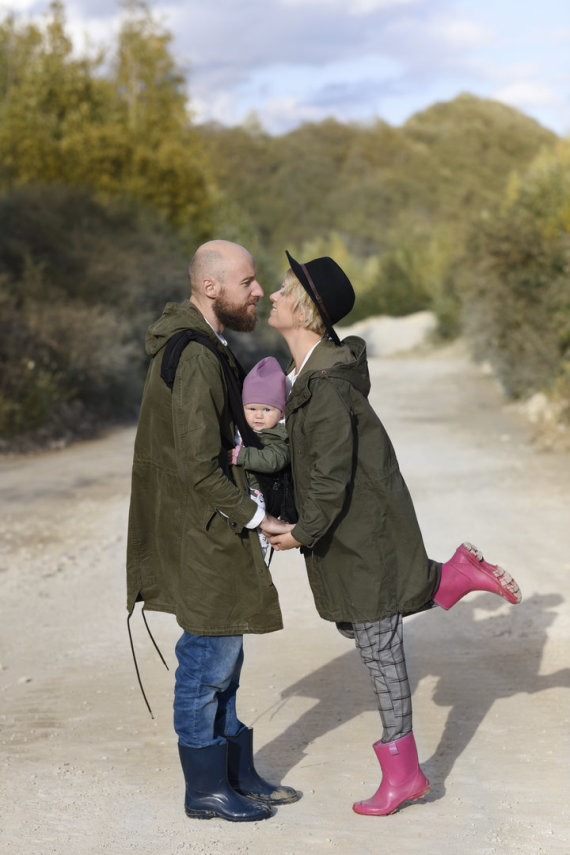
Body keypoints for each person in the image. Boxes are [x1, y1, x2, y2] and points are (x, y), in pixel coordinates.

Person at [262, 250, 522, 816]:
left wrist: (302, 533)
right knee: (362, 629)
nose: (273, 297)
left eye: (284, 291)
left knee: (379, 649)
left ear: (305, 311)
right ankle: (449, 576)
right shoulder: (308, 376)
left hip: (361, 536)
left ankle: (405, 776)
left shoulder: (325, 385)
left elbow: (329, 477)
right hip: (356, 533)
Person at [126, 240, 299, 823]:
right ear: (210, 288)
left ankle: (234, 773)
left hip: (211, 528)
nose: (257, 292)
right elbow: (199, 465)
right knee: (205, 663)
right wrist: (259, 517)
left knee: (226, 654)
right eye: (248, 282)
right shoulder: (196, 354)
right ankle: (204, 788)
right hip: (203, 532)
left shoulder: (208, 346)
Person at [230, 356, 292, 561]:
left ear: (280, 411)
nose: (258, 416)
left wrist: (243, 455)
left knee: (257, 544)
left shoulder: (278, 435)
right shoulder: (244, 429)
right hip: (240, 494)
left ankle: (257, 563)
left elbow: (274, 459)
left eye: (267, 409)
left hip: (260, 496)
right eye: (252, 409)